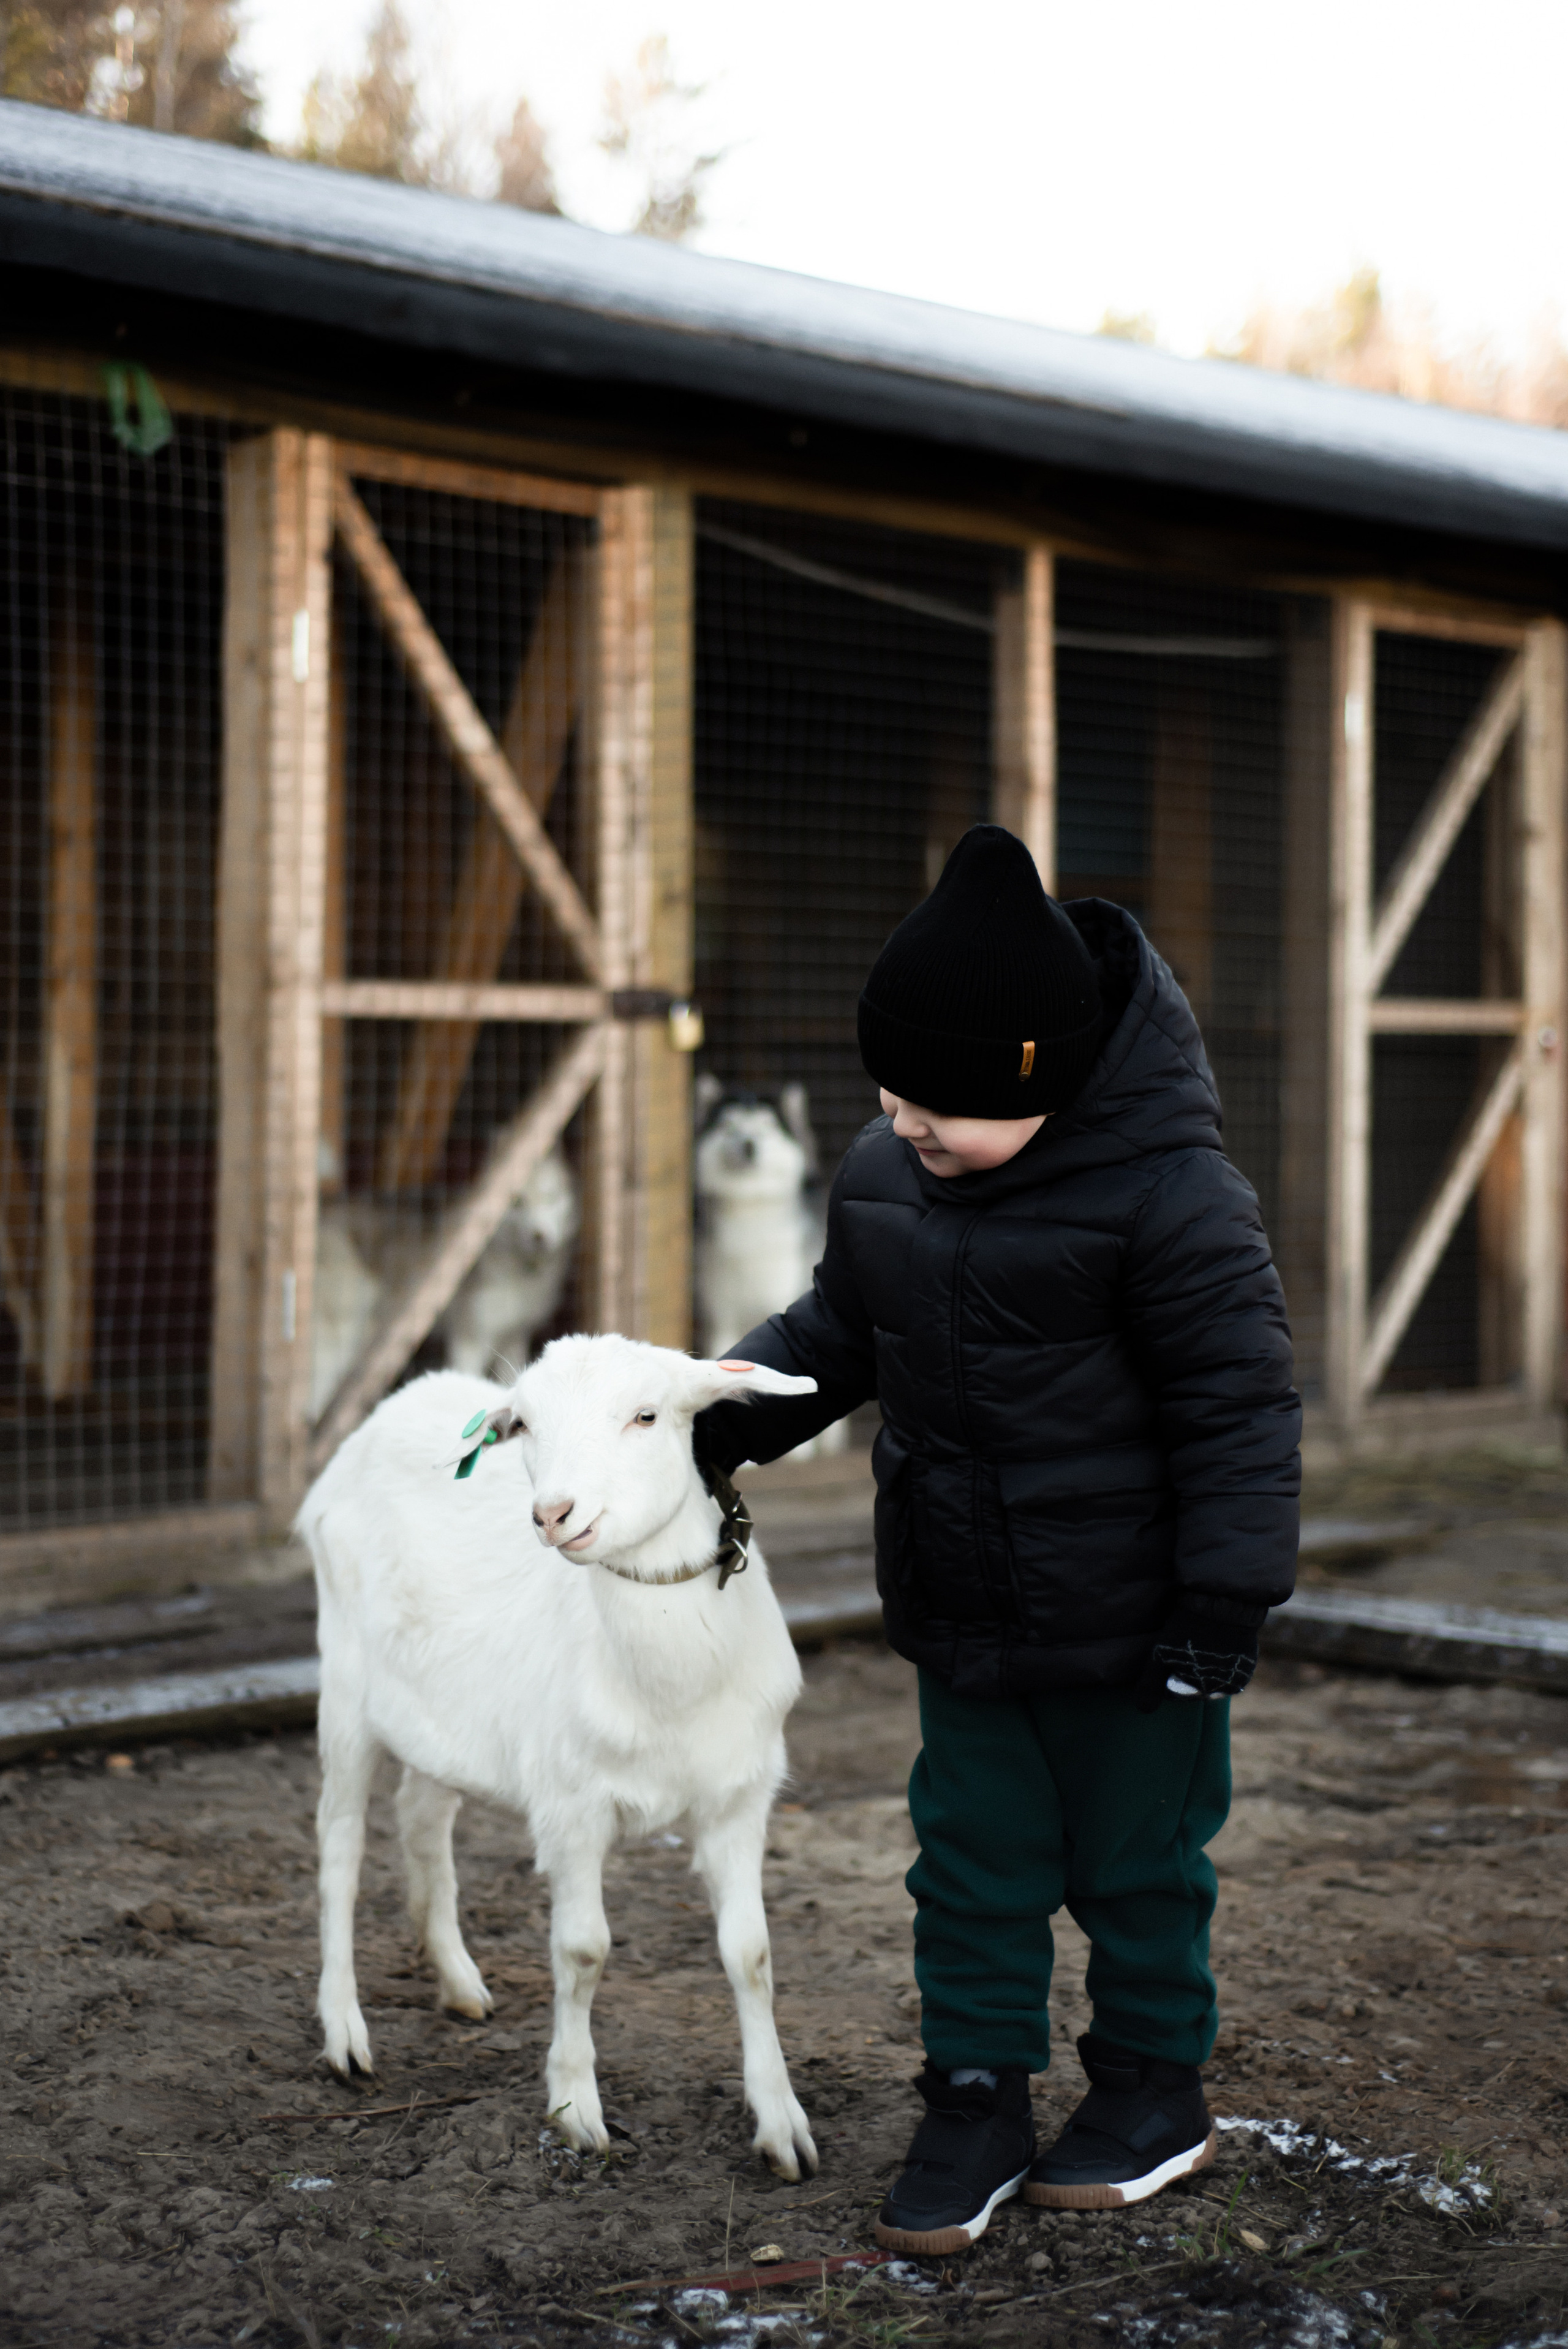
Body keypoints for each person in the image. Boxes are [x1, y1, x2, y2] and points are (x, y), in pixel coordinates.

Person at [696, 823, 1300, 2255]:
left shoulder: (1172, 1197)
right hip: (961, 1604)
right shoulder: (886, 1176)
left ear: (1034, 1074)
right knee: (967, 1862)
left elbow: (1239, 1405)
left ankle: (1153, 2093)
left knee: (1137, 1865)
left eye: (936, 1101)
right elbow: (837, 1333)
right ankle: (973, 2094)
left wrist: (1224, 1598)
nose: (902, 1119)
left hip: (1134, 1623)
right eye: (888, 1091)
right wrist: (717, 1412)